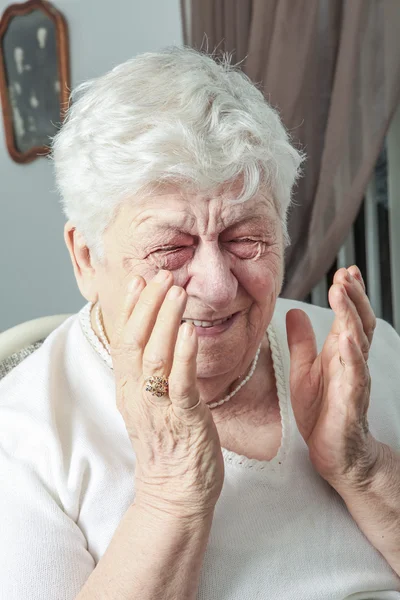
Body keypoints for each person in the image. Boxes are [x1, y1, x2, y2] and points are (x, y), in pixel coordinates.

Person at [1, 47, 400, 600]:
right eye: (169, 247)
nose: (216, 286)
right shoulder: (22, 440)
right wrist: (172, 495)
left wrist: (363, 465)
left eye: (246, 239)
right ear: (86, 259)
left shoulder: (358, 357)